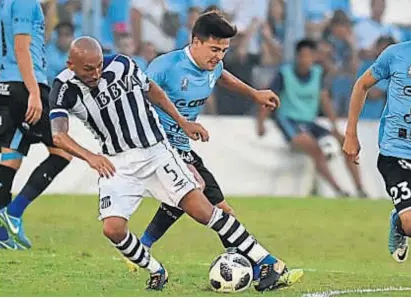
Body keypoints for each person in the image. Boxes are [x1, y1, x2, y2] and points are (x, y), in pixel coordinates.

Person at [48, 36, 303, 291]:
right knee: (113, 230)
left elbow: (154, 92)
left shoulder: (123, 65)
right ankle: (156, 270)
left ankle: (269, 262)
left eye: (99, 66)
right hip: (117, 163)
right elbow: (59, 135)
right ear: (71, 65)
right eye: (88, 69)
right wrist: (90, 157)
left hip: (156, 152)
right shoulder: (63, 88)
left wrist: (182, 122)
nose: (96, 73)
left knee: (204, 211)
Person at [139, 11, 281, 253]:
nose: (219, 56)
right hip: (157, 145)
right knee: (194, 185)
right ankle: (259, 264)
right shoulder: (165, 66)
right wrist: (181, 122)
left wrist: (255, 94)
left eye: (224, 50)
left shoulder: (213, 66)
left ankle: (239, 261)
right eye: (215, 49)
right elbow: (139, 96)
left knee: (224, 211)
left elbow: (222, 76)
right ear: (196, 42)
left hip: (182, 147)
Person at [0, 0, 72, 250]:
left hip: (6, 84)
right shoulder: (25, 3)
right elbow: (21, 49)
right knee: (62, 151)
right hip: (25, 86)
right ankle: (13, 213)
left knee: (11, 157)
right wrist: (33, 93)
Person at [258, 39, 367, 198]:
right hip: (289, 120)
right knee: (314, 148)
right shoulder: (284, 74)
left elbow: (325, 101)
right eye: (302, 56)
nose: (305, 60)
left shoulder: (317, 74)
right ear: (297, 56)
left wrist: (334, 127)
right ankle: (338, 190)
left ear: (314, 57)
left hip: (309, 122)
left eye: (309, 56)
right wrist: (261, 123)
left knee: (347, 144)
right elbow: (268, 97)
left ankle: (360, 189)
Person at [343, 41, 411, 263]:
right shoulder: (395, 54)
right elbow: (362, 85)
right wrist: (351, 133)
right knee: (410, 222)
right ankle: (401, 223)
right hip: (396, 152)